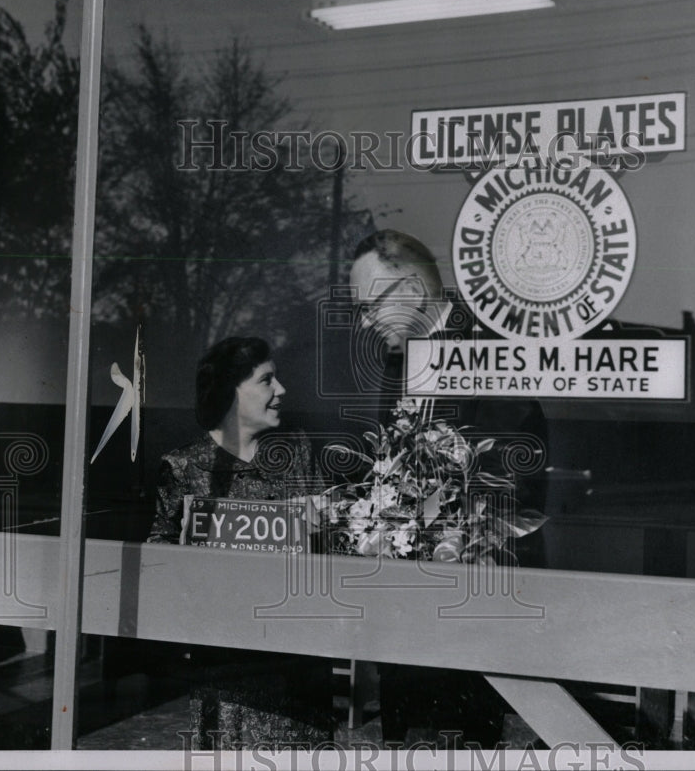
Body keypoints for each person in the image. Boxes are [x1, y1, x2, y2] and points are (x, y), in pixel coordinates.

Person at [348, 230, 549, 748]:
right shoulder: (395, 362)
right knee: (404, 740)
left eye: (370, 306)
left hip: (477, 598)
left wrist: (441, 521)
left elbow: (516, 471)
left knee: (464, 744)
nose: (364, 323)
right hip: (403, 606)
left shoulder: (496, 345)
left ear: (412, 291)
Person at [146, 336, 332, 749]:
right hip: (228, 669)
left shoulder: (298, 451)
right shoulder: (184, 467)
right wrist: (179, 557)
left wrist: (324, 524)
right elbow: (157, 567)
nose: (281, 390)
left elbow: (329, 552)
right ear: (232, 391)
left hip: (296, 664)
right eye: (267, 380)